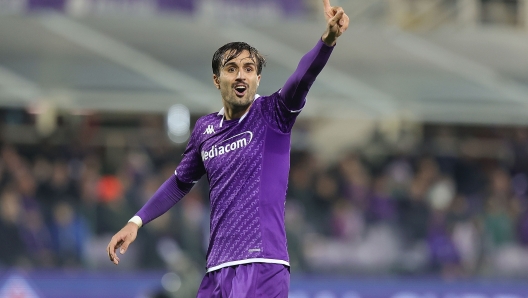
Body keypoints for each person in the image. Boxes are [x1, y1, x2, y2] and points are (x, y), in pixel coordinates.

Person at [107, 0, 349, 296]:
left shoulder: (273, 113)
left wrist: (328, 41)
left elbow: (303, 77)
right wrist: (136, 221)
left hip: (262, 264)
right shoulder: (205, 129)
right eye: (231, 68)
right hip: (217, 269)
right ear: (216, 79)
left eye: (249, 69)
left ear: (258, 78)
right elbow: (179, 182)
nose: (240, 75)